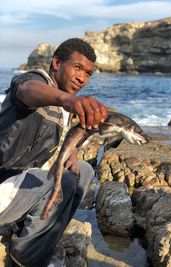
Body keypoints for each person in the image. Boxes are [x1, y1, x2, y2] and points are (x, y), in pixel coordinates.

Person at [0, 38, 107, 266]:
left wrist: (73, 152)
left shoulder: (64, 109)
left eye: (88, 73)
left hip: (20, 189)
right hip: (3, 184)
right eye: (77, 68)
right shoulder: (34, 81)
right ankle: (26, 256)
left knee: (83, 172)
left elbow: (61, 143)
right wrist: (69, 100)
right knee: (64, 181)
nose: (82, 78)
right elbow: (28, 90)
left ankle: (38, 235)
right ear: (57, 63)